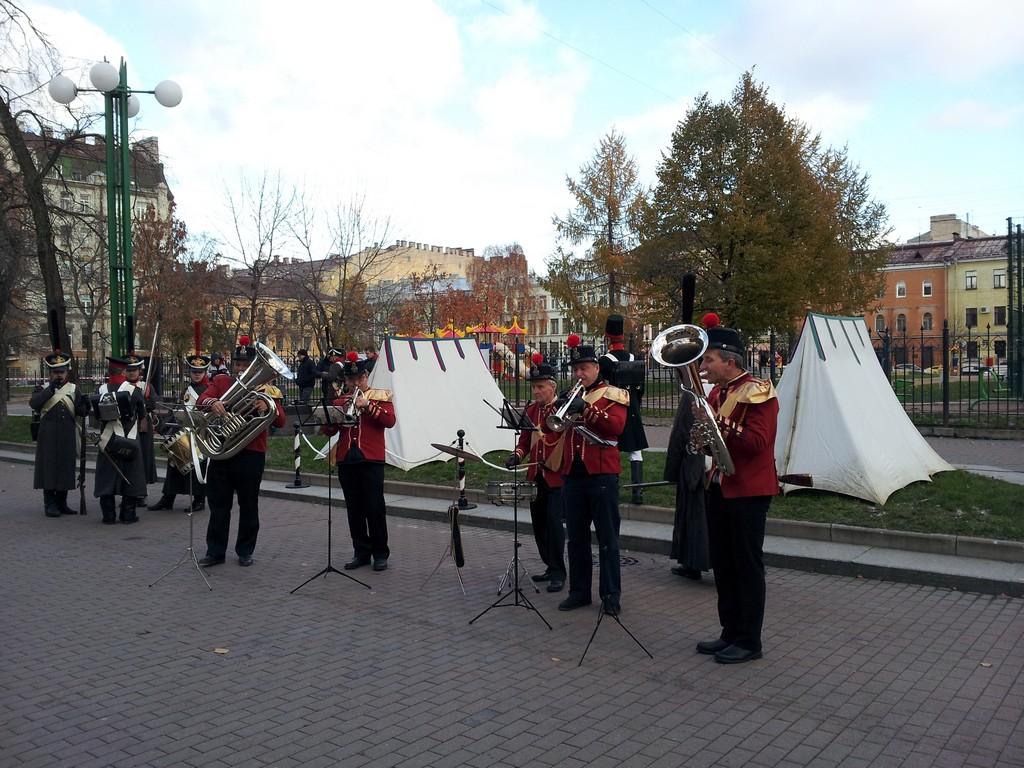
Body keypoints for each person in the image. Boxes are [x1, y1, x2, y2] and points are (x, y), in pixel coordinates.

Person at [694, 314, 779, 664]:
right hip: (719, 487)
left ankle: (749, 640)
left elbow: (758, 443)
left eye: (708, 359)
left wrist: (718, 423)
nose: (703, 366)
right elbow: (715, 442)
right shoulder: (719, 392)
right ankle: (730, 632)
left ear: (730, 362)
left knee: (746, 567)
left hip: (748, 491)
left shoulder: (758, 391)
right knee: (724, 566)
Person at [197, 337, 286, 567]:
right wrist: (213, 403)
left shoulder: (267, 389)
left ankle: (245, 551)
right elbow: (201, 400)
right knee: (218, 506)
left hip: (251, 454)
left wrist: (269, 406)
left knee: (248, 505)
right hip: (222, 452)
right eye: (238, 364)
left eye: (246, 365)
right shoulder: (222, 381)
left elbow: (281, 421)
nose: (241, 369)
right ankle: (215, 552)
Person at [556, 334, 628, 616]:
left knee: (608, 538)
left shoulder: (614, 394)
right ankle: (579, 592)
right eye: (575, 369)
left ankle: (611, 595)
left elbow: (617, 428)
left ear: (596, 368)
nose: (579, 373)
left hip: (601, 473)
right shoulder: (574, 393)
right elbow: (554, 430)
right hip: (572, 473)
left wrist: (587, 408)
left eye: (584, 368)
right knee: (576, 537)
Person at [328, 351, 396, 571]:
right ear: (346, 380)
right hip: (346, 458)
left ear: (366, 376)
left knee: (374, 507)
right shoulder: (340, 400)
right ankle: (361, 551)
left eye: (359, 378)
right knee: (354, 509)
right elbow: (328, 431)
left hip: (371, 458)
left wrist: (368, 406)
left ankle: (380, 553)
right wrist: (328, 418)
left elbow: (390, 421)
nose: (355, 382)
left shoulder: (380, 396)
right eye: (351, 379)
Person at [506, 354, 567, 592]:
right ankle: (550, 566)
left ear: (552, 387)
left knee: (553, 523)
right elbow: (524, 442)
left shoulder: (561, 409)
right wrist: (517, 456)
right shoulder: (531, 410)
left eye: (540, 387)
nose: (536, 391)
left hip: (556, 474)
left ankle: (559, 572)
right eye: (533, 387)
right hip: (535, 476)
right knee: (539, 523)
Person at [148, 353, 211, 512]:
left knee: (198, 469)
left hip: (199, 435)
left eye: (200, 371)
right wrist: (165, 425)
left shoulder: (210, 390)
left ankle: (199, 500)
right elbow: (177, 408)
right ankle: (167, 499)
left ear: (205, 372)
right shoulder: (187, 389)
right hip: (182, 433)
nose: (196, 374)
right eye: (193, 371)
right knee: (174, 468)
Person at [29, 349, 87, 517]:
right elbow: (34, 404)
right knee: (49, 468)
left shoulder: (74, 389)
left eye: (62, 372)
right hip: (48, 435)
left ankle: (62, 502)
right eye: (56, 372)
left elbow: (80, 412)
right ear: (51, 373)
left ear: (67, 372)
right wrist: (50, 390)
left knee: (65, 468)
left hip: (67, 434)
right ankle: (50, 504)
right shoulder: (42, 388)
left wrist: (86, 405)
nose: (59, 375)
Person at [600, 314, 649, 504]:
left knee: (612, 447)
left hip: (613, 408)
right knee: (636, 452)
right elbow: (641, 387)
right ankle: (638, 492)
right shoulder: (633, 357)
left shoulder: (604, 360)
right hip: (633, 407)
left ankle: (613, 488)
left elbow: (602, 387)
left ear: (607, 336)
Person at [92, 355, 147, 524]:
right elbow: (141, 415)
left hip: (107, 441)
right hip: (129, 439)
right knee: (132, 475)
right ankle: (128, 514)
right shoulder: (134, 390)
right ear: (124, 371)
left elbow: (95, 419)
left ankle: (108, 515)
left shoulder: (100, 391)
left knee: (107, 477)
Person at [664, 392, 709, 580]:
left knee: (695, 516)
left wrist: (672, 469)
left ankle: (693, 563)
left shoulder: (693, 394)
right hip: (708, 464)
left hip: (697, 466)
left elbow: (681, 432)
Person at [124, 352, 157, 506]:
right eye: (129, 370)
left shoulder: (146, 386)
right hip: (126, 426)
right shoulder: (121, 387)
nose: (131, 372)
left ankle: (142, 492)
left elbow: (152, 404)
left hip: (143, 425)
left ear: (139, 370)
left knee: (143, 458)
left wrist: (140, 404)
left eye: (134, 370)